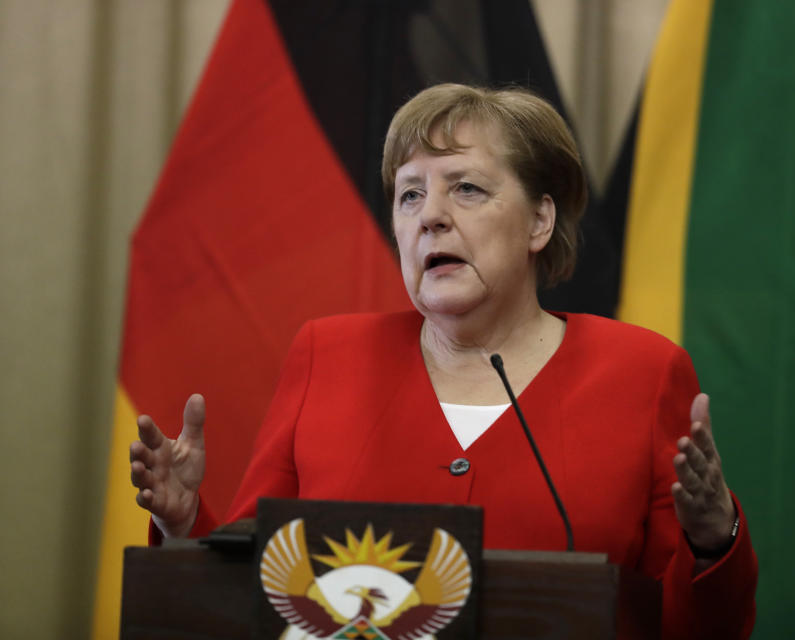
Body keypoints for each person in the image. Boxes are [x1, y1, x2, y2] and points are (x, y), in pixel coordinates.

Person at [129, 83, 757, 638]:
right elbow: (257, 583)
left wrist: (713, 539)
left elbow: (696, 630)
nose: (430, 216)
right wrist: (185, 523)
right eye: (409, 196)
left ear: (540, 220)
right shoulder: (327, 356)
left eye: (466, 188)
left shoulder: (642, 374)